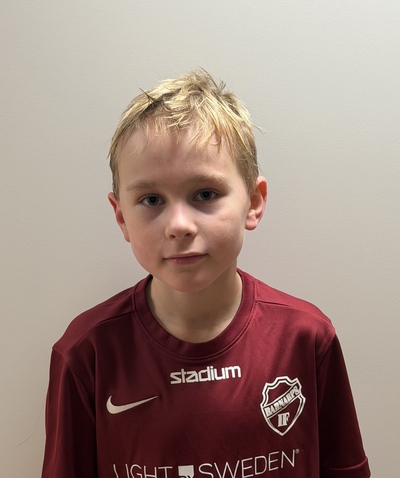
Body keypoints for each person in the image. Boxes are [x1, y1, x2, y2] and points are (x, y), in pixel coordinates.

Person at [41, 69, 370, 478]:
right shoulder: (86, 353)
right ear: (121, 216)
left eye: (205, 194)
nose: (179, 225)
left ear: (253, 202)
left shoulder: (306, 337)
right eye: (152, 199)